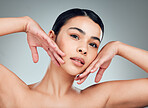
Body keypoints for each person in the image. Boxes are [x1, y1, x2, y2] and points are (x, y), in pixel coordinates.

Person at [0, 8, 148, 108]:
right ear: (51, 37)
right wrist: (25, 24)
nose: (83, 49)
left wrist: (118, 47)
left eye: (93, 44)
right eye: (75, 36)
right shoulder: (17, 94)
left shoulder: (97, 99)